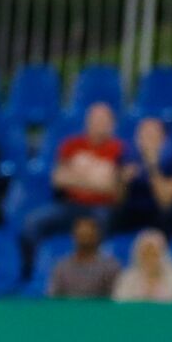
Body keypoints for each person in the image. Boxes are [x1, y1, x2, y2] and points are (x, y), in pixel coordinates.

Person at [23, 103, 126, 248]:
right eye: (95, 120)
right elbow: (58, 179)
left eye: (103, 121)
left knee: (103, 221)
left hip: (101, 207)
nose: (98, 124)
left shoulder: (119, 149)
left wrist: (77, 176)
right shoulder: (71, 145)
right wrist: (96, 178)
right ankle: (31, 268)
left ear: (112, 125)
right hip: (69, 204)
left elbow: (112, 189)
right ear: (87, 122)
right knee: (32, 223)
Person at [115, 118, 172, 236]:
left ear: (163, 139)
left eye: (152, 135)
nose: (147, 140)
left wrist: (153, 167)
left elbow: (165, 202)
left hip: (159, 213)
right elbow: (117, 199)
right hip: (131, 211)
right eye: (144, 135)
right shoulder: (128, 158)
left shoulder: (171, 161)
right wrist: (123, 181)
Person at [48, 214, 121, 299]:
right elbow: (53, 299)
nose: (85, 237)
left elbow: (115, 299)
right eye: (82, 235)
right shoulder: (61, 266)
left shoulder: (111, 266)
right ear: (74, 236)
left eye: (88, 234)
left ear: (98, 236)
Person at [112, 229, 172, 303]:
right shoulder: (128, 277)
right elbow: (120, 304)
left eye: (154, 254)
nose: (150, 258)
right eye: (146, 253)